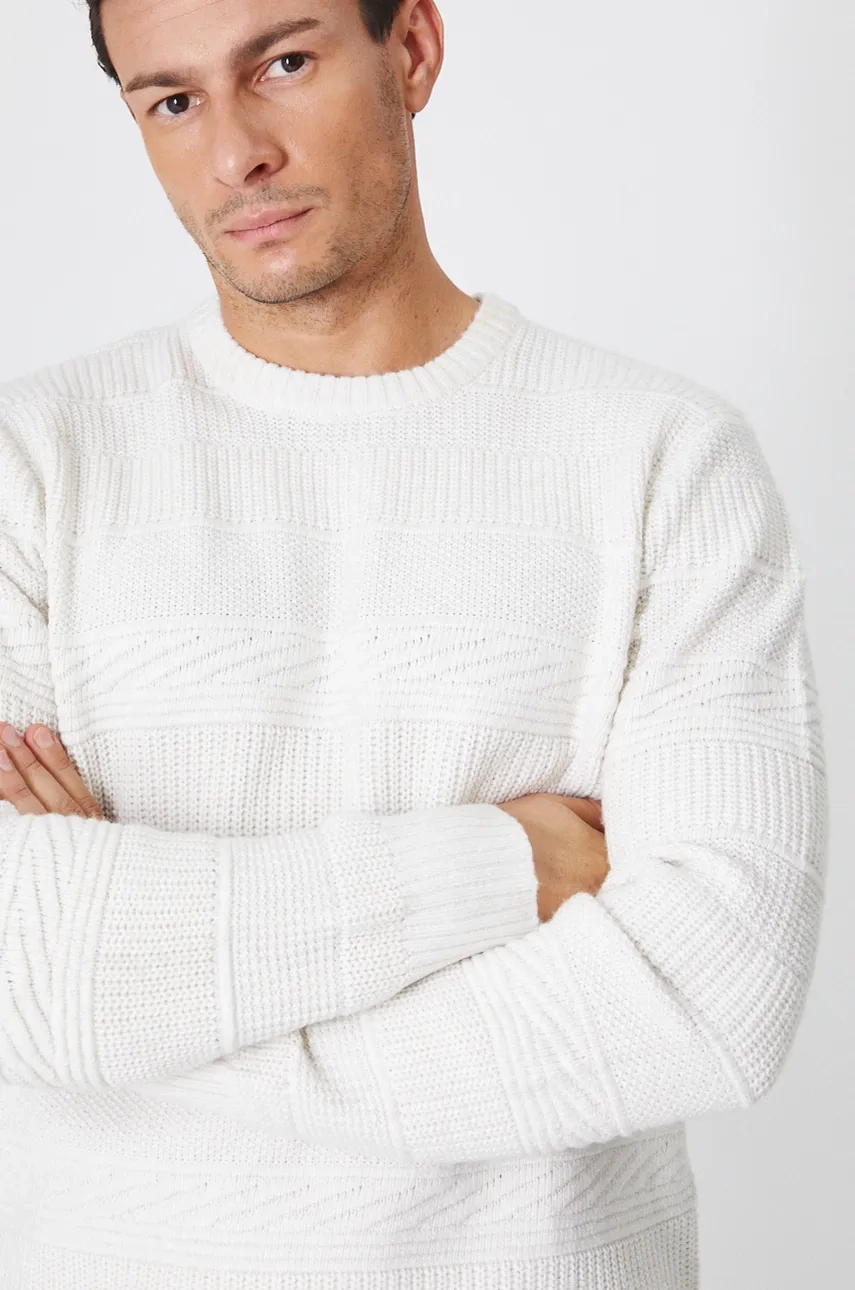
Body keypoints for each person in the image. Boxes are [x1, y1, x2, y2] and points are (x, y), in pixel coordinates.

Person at [0, 1, 828, 1288]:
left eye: (283, 63)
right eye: (172, 101)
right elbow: (18, 975)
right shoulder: (31, 466)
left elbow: (709, 998)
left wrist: (138, 1010)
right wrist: (499, 866)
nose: (235, 153)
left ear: (415, 51)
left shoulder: (663, 460)